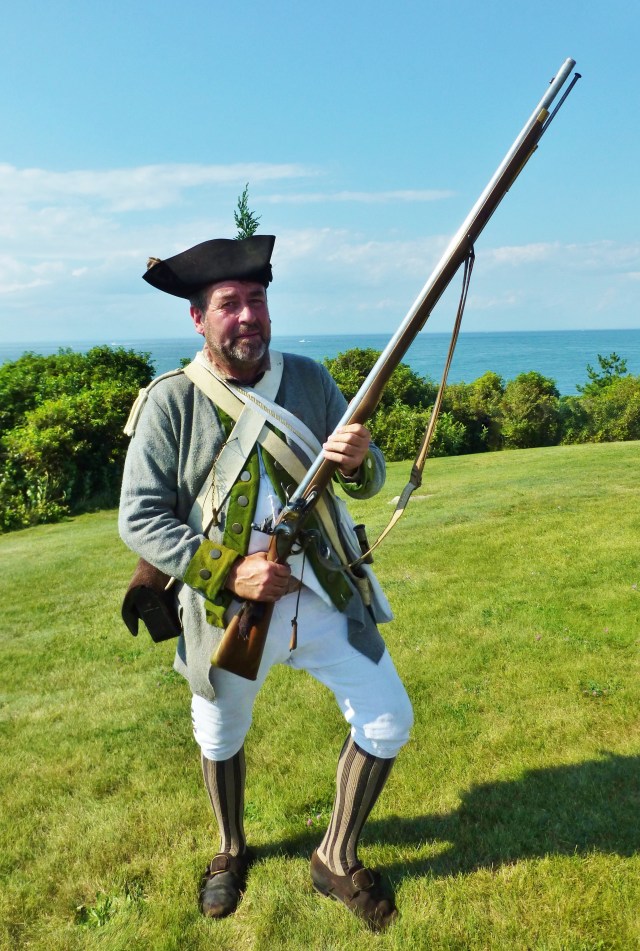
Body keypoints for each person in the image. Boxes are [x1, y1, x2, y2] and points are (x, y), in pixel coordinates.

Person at [119, 234, 413, 932]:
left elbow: (365, 480)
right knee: (219, 734)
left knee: (389, 717)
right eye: (229, 304)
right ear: (199, 318)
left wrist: (357, 460)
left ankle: (335, 856)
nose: (247, 315)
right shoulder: (171, 402)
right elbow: (141, 515)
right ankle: (229, 849)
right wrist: (230, 570)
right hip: (230, 616)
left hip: (327, 598)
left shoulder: (309, 379)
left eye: (257, 300)